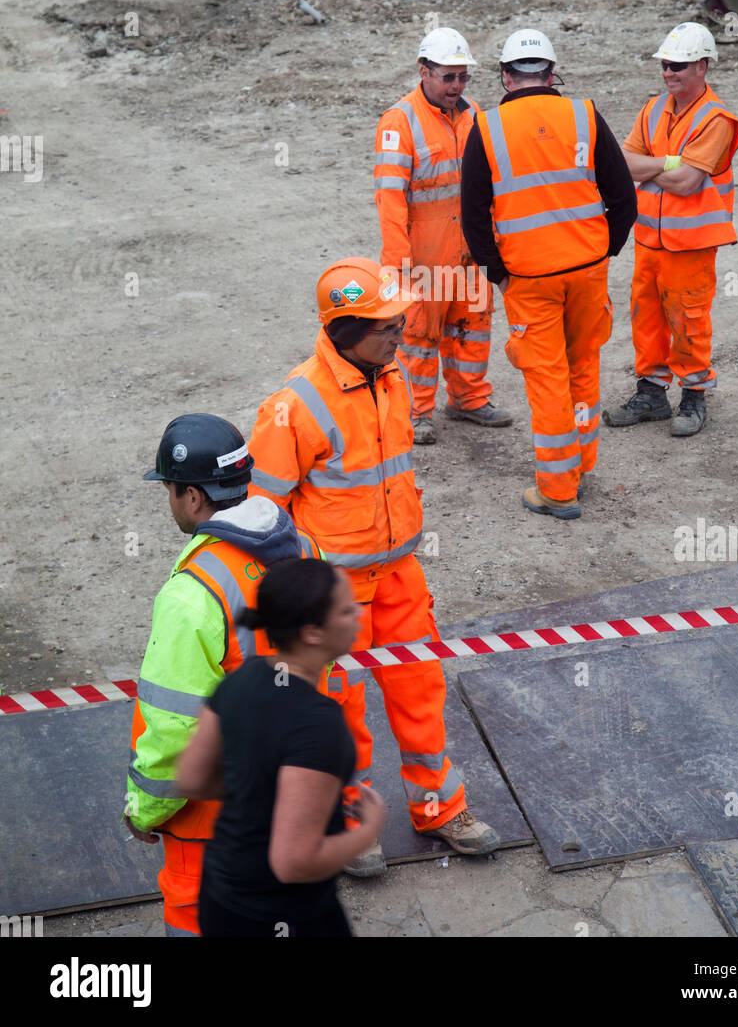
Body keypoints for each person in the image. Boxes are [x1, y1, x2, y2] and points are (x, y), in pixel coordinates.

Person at [247, 257, 501, 875]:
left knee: (421, 693)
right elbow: (261, 515)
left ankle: (441, 810)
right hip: (333, 592)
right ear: (344, 330)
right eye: (387, 325)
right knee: (340, 709)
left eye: (400, 320)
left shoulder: (389, 377)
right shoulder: (294, 406)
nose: (402, 332)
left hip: (400, 576)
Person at [126, 413, 323, 937]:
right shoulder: (306, 550)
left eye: (169, 488)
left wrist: (145, 810)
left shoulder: (193, 595)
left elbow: (174, 728)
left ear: (192, 496)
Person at [460, 29, 636, 520]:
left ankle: (558, 490)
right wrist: (607, 252)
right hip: (587, 271)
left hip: (529, 279)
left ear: (505, 75)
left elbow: (473, 216)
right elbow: (623, 197)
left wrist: (498, 275)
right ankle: (579, 466)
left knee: (547, 380)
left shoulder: (488, 127)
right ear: (552, 73)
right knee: (582, 365)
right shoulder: (583, 115)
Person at [176, 559, 387, 938]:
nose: (357, 613)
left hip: (219, 899)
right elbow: (293, 863)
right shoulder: (319, 726)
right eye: (344, 608)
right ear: (312, 632)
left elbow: (191, 778)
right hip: (283, 916)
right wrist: (366, 830)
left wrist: (262, 788)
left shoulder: (243, 679)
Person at [603, 22, 738, 438]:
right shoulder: (652, 109)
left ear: (703, 67)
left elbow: (688, 184)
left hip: (692, 242)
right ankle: (651, 392)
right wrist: (669, 163)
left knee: (688, 318)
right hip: (650, 239)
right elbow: (623, 164)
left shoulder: (716, 119)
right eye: (666, 65)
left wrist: (654, 168)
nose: (670, 73)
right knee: (646, 317)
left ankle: (694, 393)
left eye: (680, 66)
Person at [374, 26, 512, 444]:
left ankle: (469, 398)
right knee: (417, 336)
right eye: (448, 77)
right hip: (424, 253)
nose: (456, 86)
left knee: (472, 326)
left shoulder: (475, 115)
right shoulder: (400, 121)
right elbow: (390, 197)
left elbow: (492, 184)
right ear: (424, 71)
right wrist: (398, 262)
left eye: (463, 77)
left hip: (470, 248)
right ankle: (415, 412)